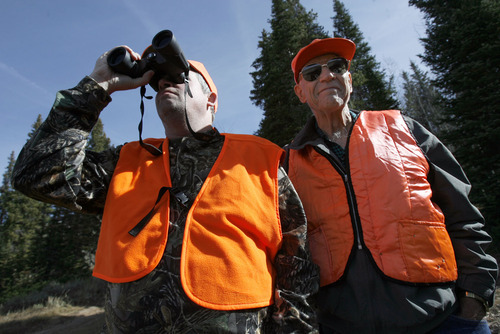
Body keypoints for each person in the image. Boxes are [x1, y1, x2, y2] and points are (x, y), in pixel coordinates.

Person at [12, 40, 319, 333]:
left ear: (211, 99)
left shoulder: (259, 157)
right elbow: (36, 174)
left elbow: (295, 265)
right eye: (159, 80)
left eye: (179, 75)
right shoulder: (124, 163)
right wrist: (97, 85)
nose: (164, 83)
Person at [284, 37, 498, 333]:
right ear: (300, 92)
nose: (326, 75)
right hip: (342, 327)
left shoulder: (405, 130)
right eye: (312, 73)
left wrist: (474, 297)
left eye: (337, 66)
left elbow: (463, 215)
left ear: (349, 79)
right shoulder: (288, 164)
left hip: (444, 320)